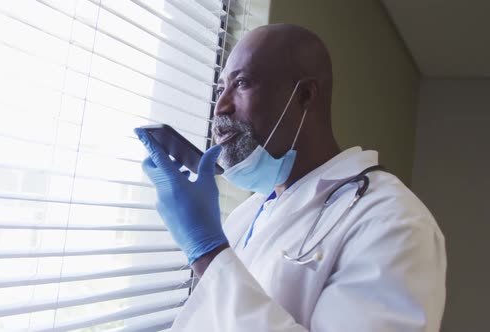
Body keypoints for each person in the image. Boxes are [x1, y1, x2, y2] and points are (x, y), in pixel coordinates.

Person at [134, 24, 446, 331]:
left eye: (241, 83)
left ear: (305, 95)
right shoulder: (253, 211)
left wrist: (206, 252)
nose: (221, 107)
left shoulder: (391, 220)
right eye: (220, 89)